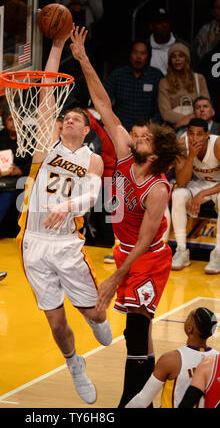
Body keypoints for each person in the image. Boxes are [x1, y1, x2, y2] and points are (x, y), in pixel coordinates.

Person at [70, 26, 183, 407]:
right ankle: (145, 401)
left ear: (155, 155)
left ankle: (129, 402)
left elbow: (147, 240)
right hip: (124, 251)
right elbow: (103, 104)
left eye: (146, 139)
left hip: (149, 259)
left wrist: (114, 278)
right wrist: (84, 59)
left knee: (135, 331)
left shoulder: (158, 190)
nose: (137, 138)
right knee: (141, 332)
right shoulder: (122, 152)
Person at [16, 31, 112, 405]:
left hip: (67, 243)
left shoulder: (92, 159)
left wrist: (66, 207)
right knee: (56, 322)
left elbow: (91, 195)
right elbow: (45, 92)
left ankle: (93, 319)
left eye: (76, 119)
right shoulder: (45, 146)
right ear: (58, 126)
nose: (69, 121)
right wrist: (56, 47)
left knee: (95, 313)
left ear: (86, 129)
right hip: (34, 244)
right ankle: (74, 365)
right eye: (65, 118)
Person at [125, 307, 218, 408]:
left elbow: (142, 401)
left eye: (187, 317)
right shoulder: (217, 359)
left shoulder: (171, 360)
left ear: (189, 328)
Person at [171, 118, 220, 274]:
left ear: (207, 135)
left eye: (199, 134)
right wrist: (191, 156)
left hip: (217, 185)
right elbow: (182, 182)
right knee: (178, 194)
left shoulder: (217, 145)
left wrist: (203, 194)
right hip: (198, 183)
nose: (195, 138)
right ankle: (181, 250)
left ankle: (218, 253)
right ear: (187, 134)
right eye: (191, 134)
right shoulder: (182, 144)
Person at [0, 103, 32, 246]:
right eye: (10, 119)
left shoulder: (28, 139)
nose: (14, 123)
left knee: (8, 195)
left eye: (17, 119)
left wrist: (20, 170)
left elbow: (33, 163)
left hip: (16, 182)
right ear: (4, 121)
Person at [104, 39, 163, 132]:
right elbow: (104, 99)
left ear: (148, 57)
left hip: (147, 129)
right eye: (135, 52)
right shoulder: (118, 74)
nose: (139, 57)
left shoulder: (155, 76)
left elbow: (160, 107)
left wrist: (152, 127)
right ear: (130, 55)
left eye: (143, 53)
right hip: (120, 128)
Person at [158, 43, 210, 130]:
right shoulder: (164, 82)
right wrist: (185, 120)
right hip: (175, 127)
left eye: (181, 56)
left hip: (198, 126)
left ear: (187, 59)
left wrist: (189, 119)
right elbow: (165, 113)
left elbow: (206, 106)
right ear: (170, 60)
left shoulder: (199, 78)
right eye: (174, 56)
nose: (177, 59)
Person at [148, 7, 189, 76]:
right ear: (151, 26)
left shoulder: (184, 47)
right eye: (160, 22)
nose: (164, 25)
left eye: (167, 21)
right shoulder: (145, 48)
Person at [192, 0, 220, 69]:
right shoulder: (206, 29)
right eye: (218, 7)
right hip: (210, 70)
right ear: (213, 11)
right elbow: (198, 55)